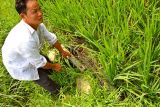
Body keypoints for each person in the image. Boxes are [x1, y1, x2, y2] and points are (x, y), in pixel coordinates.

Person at [1, 0, 71, 95]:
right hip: (19, 63)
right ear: (23, 16)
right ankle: (61, 94)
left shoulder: (38, 25)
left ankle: (53, 71)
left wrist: (62, 51)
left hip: (27, 52)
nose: (40, 13)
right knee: (43, 79)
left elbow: (51, 38)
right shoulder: (25, 40)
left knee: (45, 61)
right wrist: (54, 66)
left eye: (40, 9)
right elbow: (38, 62)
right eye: (35, 11)